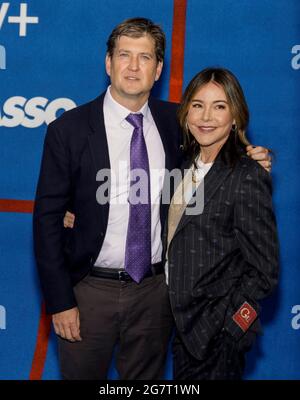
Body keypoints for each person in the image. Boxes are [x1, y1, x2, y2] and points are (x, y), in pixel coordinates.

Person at [33, 17, 271, 380]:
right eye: (124, 55)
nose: (133, 66)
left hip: (157, 294)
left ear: (158, 69)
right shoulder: (69, 130)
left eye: (144, 57)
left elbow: (215, 157)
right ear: (108, 63)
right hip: (88, 292)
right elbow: (47, 221)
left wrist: (250, 156)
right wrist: (60, 301)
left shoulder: (178, 122)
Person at [165, 67, 279, 380]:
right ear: (186, 111)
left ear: (235, 117)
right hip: (179, 326)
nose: (206, 117)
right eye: (198, 105)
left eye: (219, 106)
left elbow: (265, 270)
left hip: (215, 337)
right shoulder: (183, 164)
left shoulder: (247, 175)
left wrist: (230, 327)